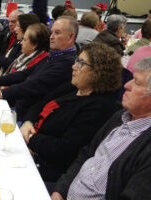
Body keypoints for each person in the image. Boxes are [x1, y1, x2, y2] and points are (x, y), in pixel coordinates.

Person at [20, 42, 122, 184]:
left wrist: (31, 138)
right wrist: (28, 122)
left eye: (81, 63)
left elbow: (64, 150)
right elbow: (40, 103)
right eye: (76, 60)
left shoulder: (99, 107)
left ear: (98, 71)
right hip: (30, 140)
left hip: (45, 168)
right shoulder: (75, 86)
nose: (74, 66)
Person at [51, 56, 151, 200]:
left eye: (136, 82)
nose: (127, 85)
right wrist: (61, 189)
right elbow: (87, 153)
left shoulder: (146, 148)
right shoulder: (121, 116)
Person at [0, 16, 78, 119]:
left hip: (27, 116)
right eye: (52, 32)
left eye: (57, 33)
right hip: (20, 108)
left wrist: (1, 93)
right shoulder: (54, 55)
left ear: (71, 36)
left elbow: (35, 85)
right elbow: (25, 74)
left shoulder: (67, 63)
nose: (51, 37)